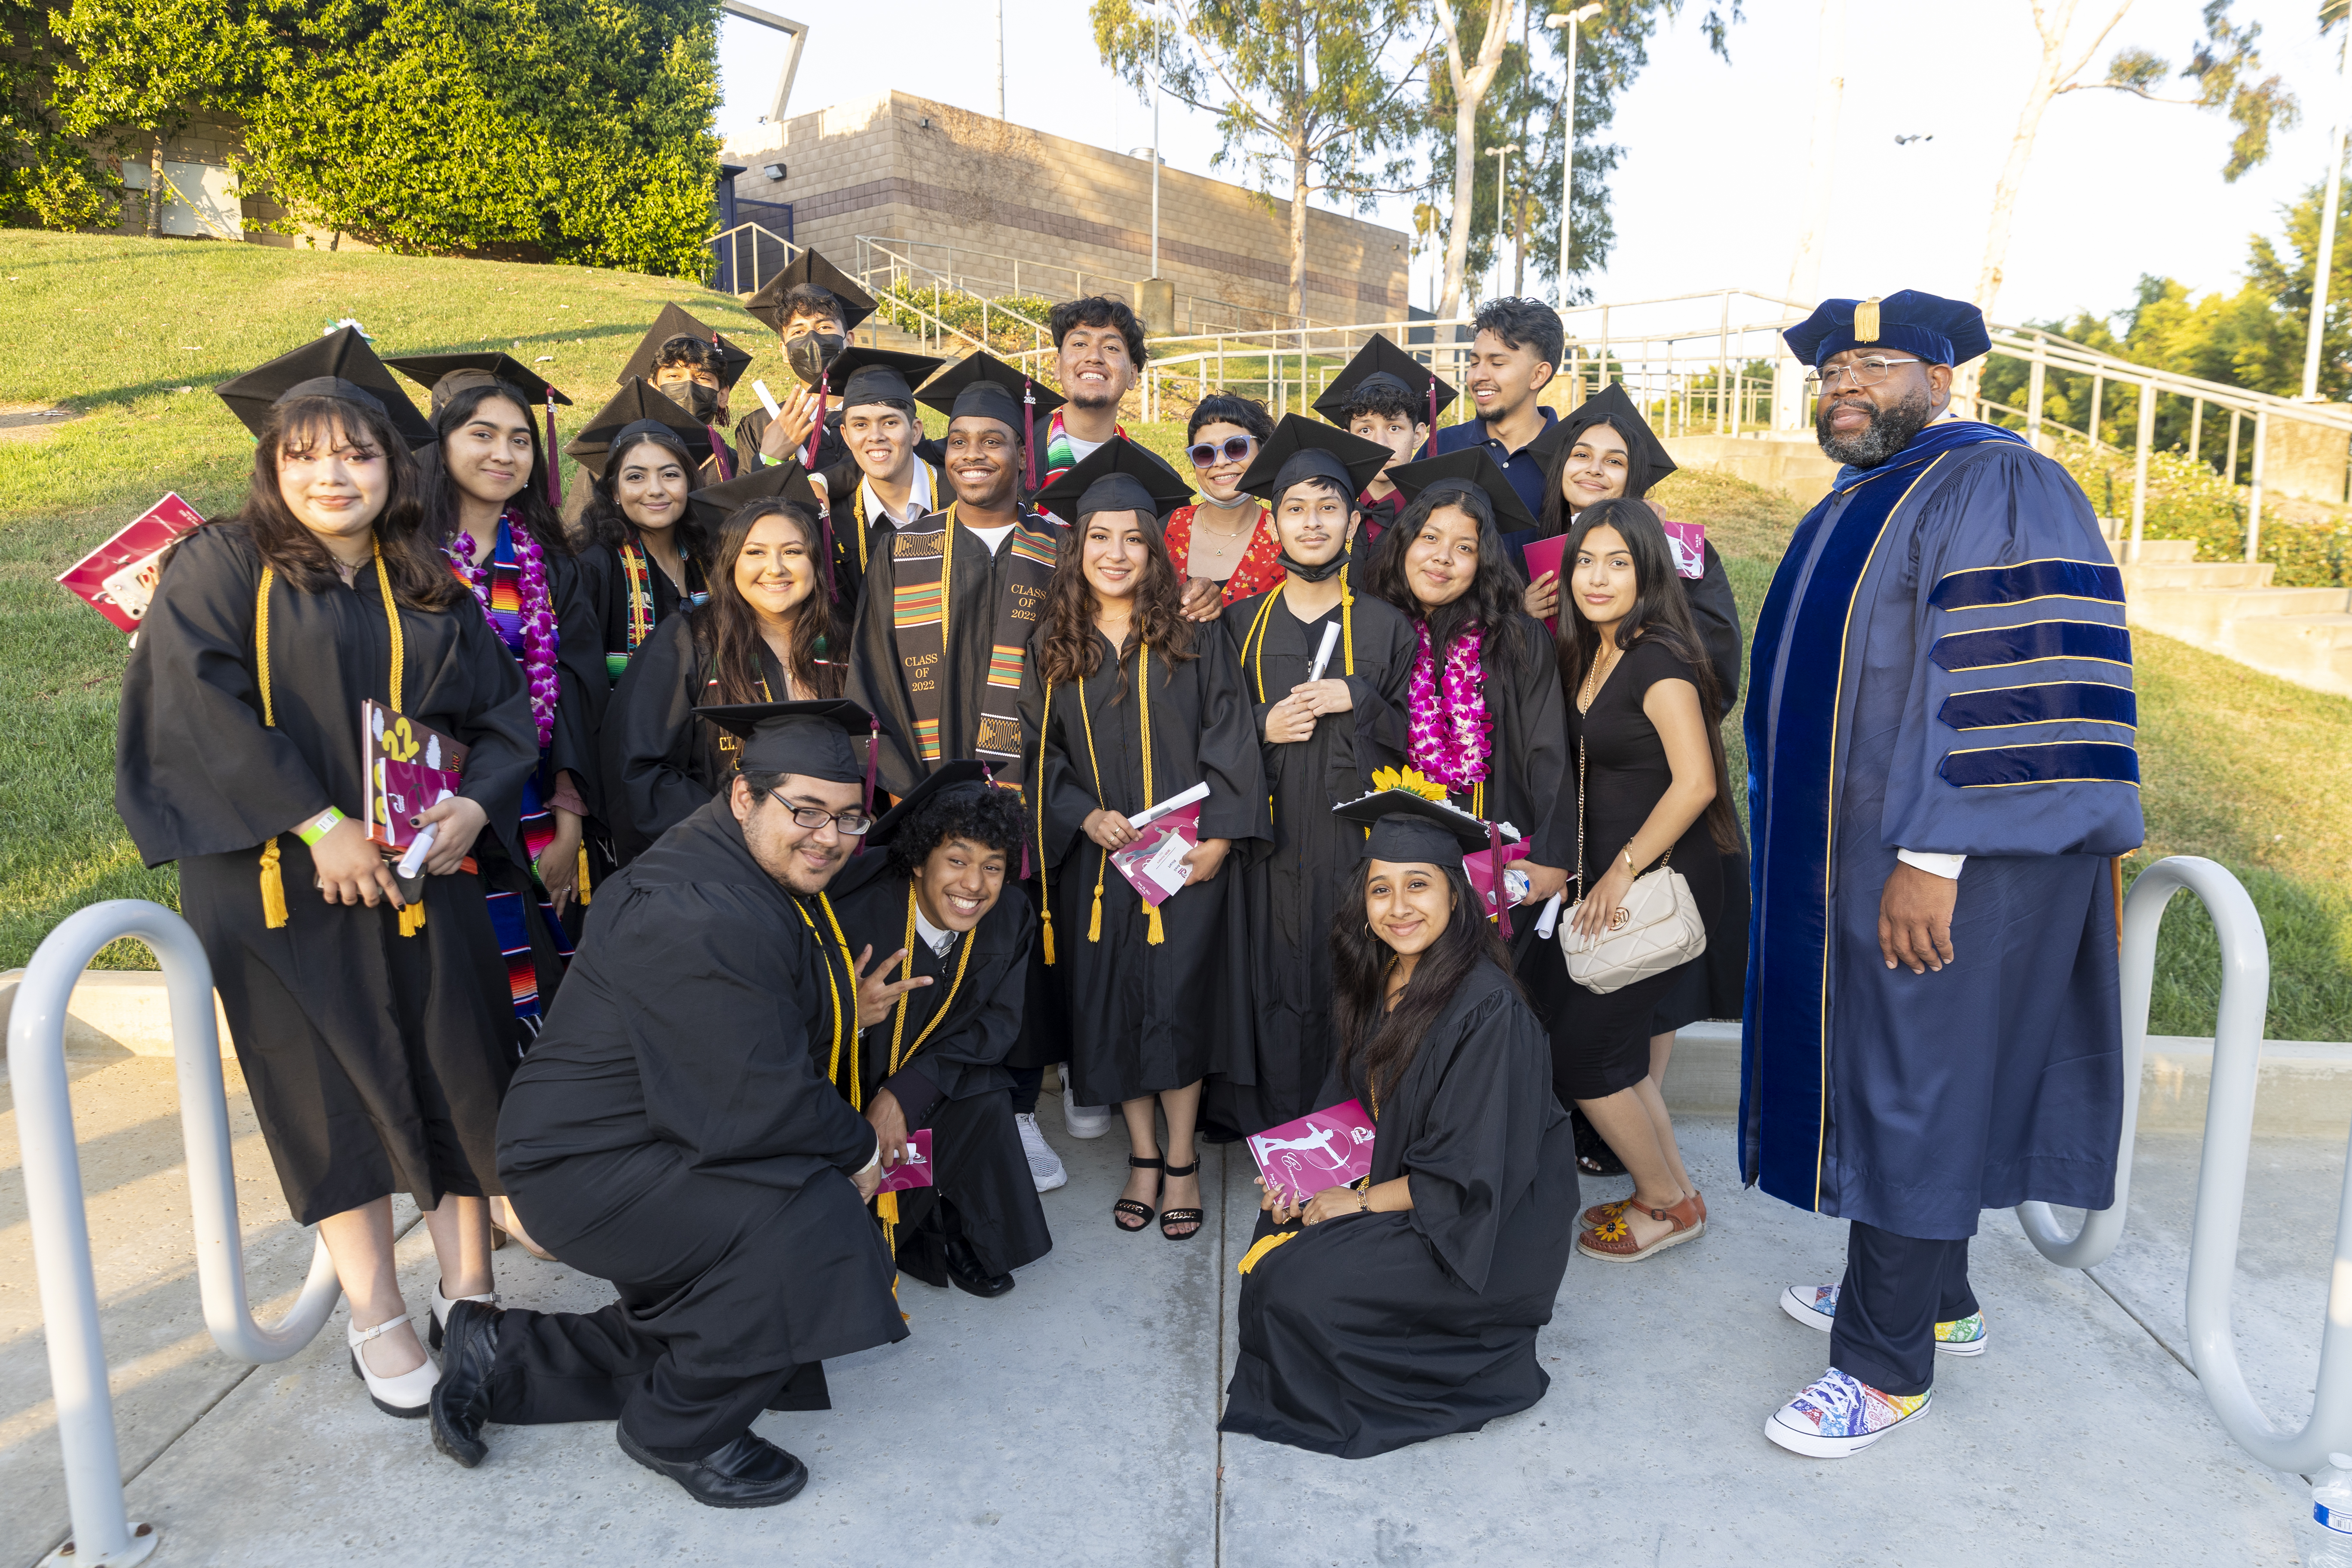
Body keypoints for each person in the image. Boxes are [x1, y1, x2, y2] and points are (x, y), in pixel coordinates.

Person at [1745, 292, 2142, 1458]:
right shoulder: (1870, 494)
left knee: (1917, 1078)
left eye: (1872, 364)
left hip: (1954, 862)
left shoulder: (1994, 484)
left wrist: (1932, 856)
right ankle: (1938, 1296)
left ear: (1944, 378)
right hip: (1878, 856)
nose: (1844, 385)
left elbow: (2017, 689)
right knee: (1906, 1071)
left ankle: (1884, 1365)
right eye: (1829, 371)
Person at [119, 347, 537, 1420]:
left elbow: (502, 721)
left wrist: (477, 807)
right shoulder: (220, 565)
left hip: (420, 872)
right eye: (306, 456)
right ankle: (375, 1313)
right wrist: (318, 825)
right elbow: (195, 705)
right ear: (273, 467)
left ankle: (474, 1296)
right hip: (277, 885)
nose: (334, 475)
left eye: (358, 454)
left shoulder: (426, 585)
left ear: (395, 471)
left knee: (457, 1068)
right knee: (327, 1089)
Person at [431, 701, 909, 1508]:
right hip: (588, 1166)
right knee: (816, 1230)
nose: (828, 836)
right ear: (744, 797)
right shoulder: (696, 906)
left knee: (730, 1293)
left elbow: (736, 1032)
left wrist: (836, 1012)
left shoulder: (732, 870)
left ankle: (500, 1355)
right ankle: (679, 1427)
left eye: (849, 817)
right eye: (805, 811)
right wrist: (860, 1151)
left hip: (647, 1130)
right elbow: (753, 1094)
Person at [1218, 789, 1577, 1459]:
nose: (1399, 907)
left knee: (1300, 1285)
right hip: (1412, 1181)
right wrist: (1302, 1176)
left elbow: (1475, 1169)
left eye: (1418, 885)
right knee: (1281, 1231)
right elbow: (1351, 1105)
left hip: (1481, 1230)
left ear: (1455, 896)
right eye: (1381, 890)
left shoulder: (1489, 1011)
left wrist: (1354, 1200)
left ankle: (1463, 1362)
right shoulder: (1383, 976)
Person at [1021, 448, 1269, 1239]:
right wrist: (1080, 814)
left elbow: (1232, 736)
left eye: (1133, 539)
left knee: (1181, 1005)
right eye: (1100, 538)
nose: (1116, 554)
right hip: (1097, 866)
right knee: (1111, 1009)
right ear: (1078, 548)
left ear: (1155, 551)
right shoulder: (1053, 645)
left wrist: (1223, 841)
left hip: (1185, 861)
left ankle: (1184, 1159)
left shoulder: (1192, 636)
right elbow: (1036, 754)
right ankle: (1140, 1156)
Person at [848, 349, 1078, 1174]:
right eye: (960, 442)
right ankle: (924, 1101)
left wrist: (1047, 784)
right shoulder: (903, 550)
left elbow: (1081, 679)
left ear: (1024, 453)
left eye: (994, 441)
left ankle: (1014, 1104)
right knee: (933, 952)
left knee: (1009, 946)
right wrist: (919, 794)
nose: (974, 455)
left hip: (1030, 791)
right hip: (926, 794)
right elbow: (872, 676)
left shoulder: (1060, 550)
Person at [1523, 382, 1749, 1178]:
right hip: (1586, 852)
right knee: (1594, 1036)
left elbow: (1693, 757)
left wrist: (1619, 870)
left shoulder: (1660, 628)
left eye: (1614, 459)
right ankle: (1669, 1187)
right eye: (1580, 453)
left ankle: (1651, 1178)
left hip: (1653, 858)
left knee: (1601, 1042)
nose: (1594, 468)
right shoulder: (1567, 606)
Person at [1207, 416, 1415, 1137]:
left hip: (1352, 853)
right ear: (1275, 522)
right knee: (1268, 987)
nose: (1312, 521)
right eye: (1295, 507)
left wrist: (1360, 699)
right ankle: (1274, 1135)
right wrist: (1259, 726)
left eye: (1328, 507)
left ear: (1355, 521)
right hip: (1265, 852)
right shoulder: (1238, 625)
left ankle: (1348, 1134)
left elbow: (1423, 745)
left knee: (1346, 987)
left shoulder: (1390, 628)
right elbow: (1206, 731)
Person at [1550, 498, 1740, 1263]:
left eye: (1618, 562)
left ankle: (1662, 1203)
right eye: (1585, 560)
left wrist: (1622, 869)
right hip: (1621, 875)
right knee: (1619, 1053)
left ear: (1649, 571)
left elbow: (1694, 782)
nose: (1597, 577)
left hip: (1664, 881)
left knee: (1584, 1059)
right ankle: (1675, 1193)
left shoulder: (1659, 657)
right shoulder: (1598, 648)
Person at [823, 761, 1057, 1289]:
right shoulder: (852, 915)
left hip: (927, 1078)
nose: (974, 885)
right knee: (841, 1272)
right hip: (840, 1086)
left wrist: (903, 1093)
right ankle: (920, 1227)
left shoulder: (1011, 914)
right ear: (918, 862)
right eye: (957, 860)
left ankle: (956, 1228)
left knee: (984, 1094)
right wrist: (848, 1017)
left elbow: (997, 1024)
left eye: (993, 867)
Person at [604, 471, 839, 863]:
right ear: (730, 563)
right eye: (756, 552)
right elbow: (642, 768)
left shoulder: (843, 647)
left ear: (815, 562)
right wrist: (738, 835)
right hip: (721, 860)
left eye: (793, 552)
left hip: (828, 858)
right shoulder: (688, 642)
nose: (776, 568)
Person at [568, 384, 715, 685]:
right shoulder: (594, 570)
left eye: (670, 474)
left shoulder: (708, 559)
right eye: (636, 477)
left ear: (689, 483)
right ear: (615, 491)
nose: (655, 489)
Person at [805, 346, 947, 623]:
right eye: (860, 425)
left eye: (890, 422)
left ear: (915, 431)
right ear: (845, 436)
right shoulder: (836, 518)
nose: (875, 436)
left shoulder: (960, 500)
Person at [738, 248, 880, 474]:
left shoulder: (883, 416)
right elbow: (747, 505)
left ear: (849, 341)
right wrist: (770, 458)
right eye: (798, 332)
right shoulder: (761, 424)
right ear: (785, 352)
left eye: (824, 327)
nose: (812, 339)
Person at [1428, 297, 1563, 521]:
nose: (1478, 376)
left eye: (1497, 363)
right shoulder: (1444, 445)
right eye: (1474, 363)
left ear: (1538, 375)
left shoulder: (1572, 459)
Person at [1311, 334, 1455, 540]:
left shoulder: (1436, 521)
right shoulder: (1325, 518)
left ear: (1418, 435)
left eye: (1394, 428)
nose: (1381, 443)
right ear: (1347, 440)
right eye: (1365, 430)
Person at [1164, 393, 1282, 611]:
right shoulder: (1166, 529)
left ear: (1263, 451)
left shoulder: (1283, 535)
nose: (1221, 462)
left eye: (1236, 447)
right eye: (1204, 453)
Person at [615, 302, 755, 484]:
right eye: (674, 375)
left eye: (703, 378)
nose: (688, 387)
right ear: (653, 388)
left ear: (723, 395)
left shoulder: (738, 468)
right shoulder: (619, 460)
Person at [1039, 295, 1144, 492]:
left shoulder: (1154, 478)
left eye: (1111, 348)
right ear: (1057, 366)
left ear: (1132, 375)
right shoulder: (1012, 454)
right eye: (1080, 344)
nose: (1094, 357)